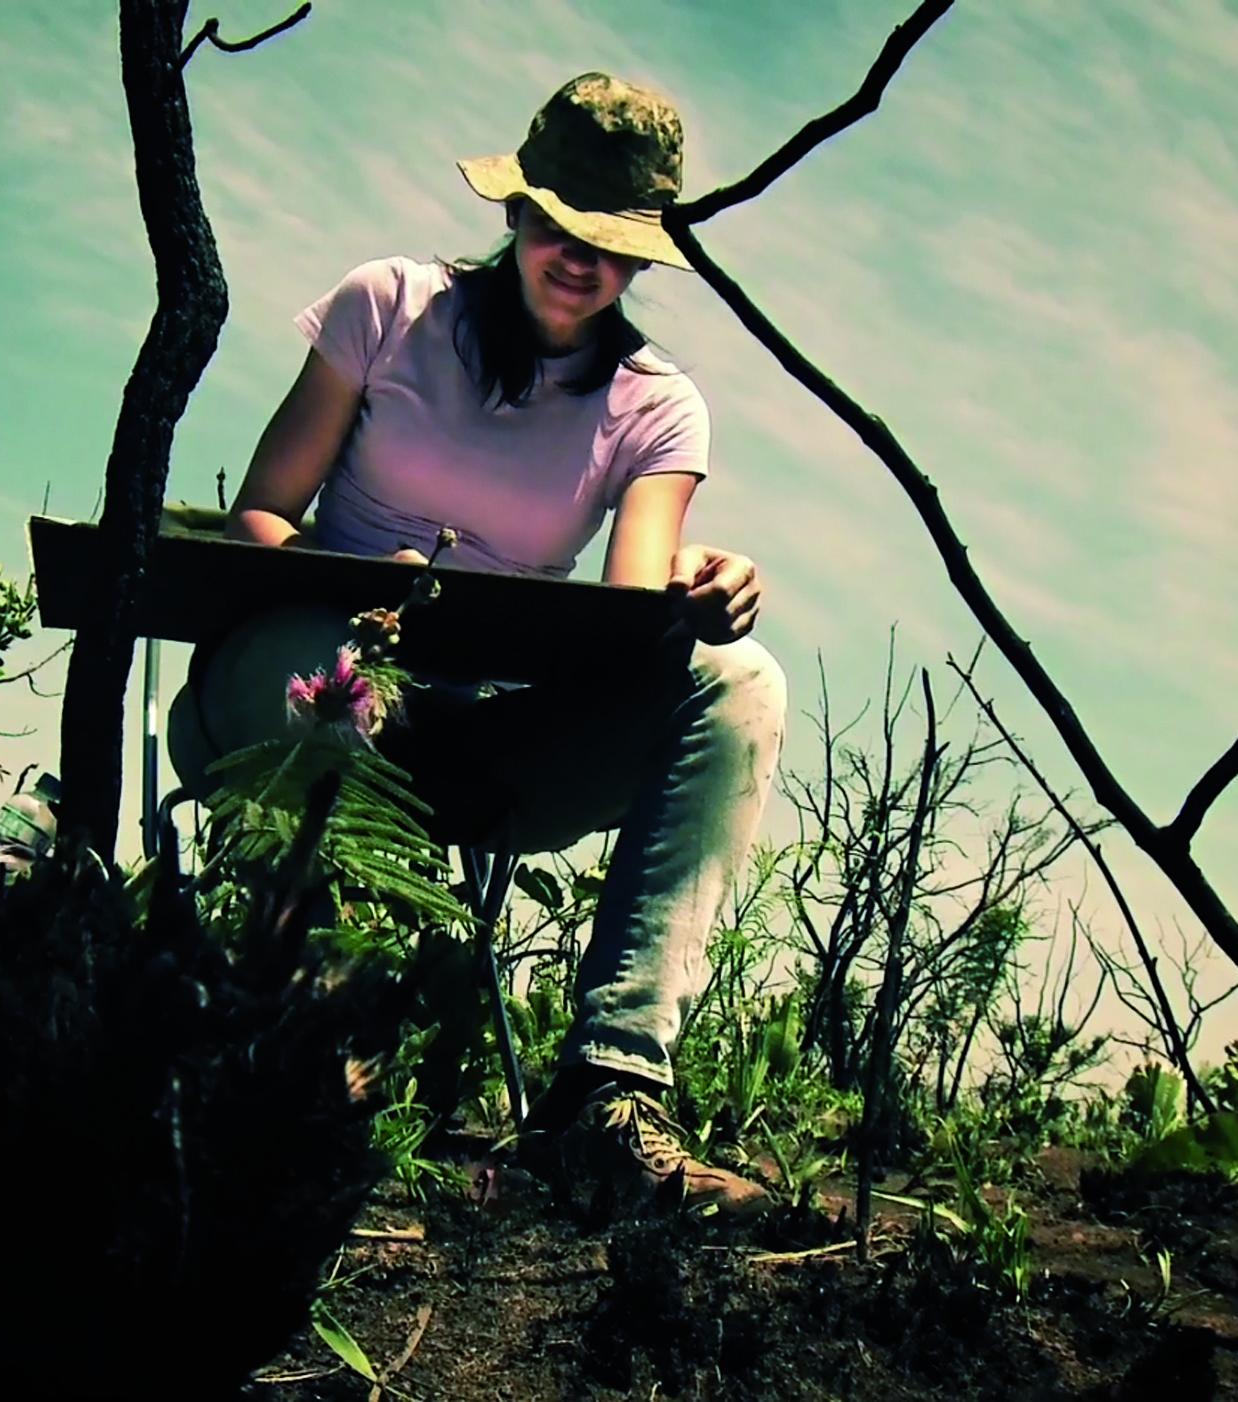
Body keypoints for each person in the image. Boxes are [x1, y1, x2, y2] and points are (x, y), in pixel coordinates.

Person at [167, 72, 786, 1218]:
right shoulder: (388, 307)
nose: (579, 257)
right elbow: (262, 514)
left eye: (615, 238)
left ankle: (607, 1094)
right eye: (560, 221)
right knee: (319, 657)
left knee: (739, 683)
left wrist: (704, 590)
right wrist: (360, 593)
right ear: (516, 209)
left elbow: (629, 609)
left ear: (647, 253)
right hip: (309, 693)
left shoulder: (656, 407)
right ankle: (287, 1027)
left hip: (484, 747)